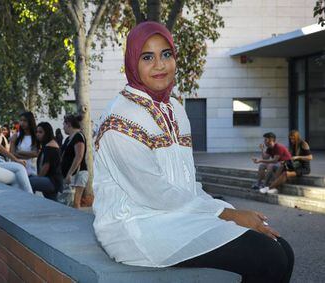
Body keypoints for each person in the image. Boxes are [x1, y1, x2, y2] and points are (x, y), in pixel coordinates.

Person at [93, 22, 293, 283]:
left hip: (177, 216)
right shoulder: (120, 117)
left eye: (166, 54)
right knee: (269, 257)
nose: (160, 65)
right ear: (132, 62)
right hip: (139, 226)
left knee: (282, 248)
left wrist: (224, 210)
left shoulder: (175, 108)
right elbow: (155, 194)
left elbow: (186, 184)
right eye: (147, 57)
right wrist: (230, 214)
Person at [260, 130, 313, 194]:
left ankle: (269, 188)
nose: (292, 140)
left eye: (293, 139)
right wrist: (285, 162)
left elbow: (310, 157)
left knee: (286, 174)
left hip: (303, 168)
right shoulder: (292, 145)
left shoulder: (303, 144)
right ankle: (274, 188)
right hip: (295, 165)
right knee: (281, 167)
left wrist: (298, 157)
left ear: (297, 137)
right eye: (290, 139)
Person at [29, 122, 63, 200]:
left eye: (40, 132)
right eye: (37, 132)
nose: (37, 134)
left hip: (53, 181)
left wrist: (38, 178)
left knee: (30, 182)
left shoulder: (50, 146)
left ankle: (29, 203)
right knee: (53, 204)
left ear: (47, 133)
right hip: (52, 180)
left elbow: (46, 165)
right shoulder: (47, 145)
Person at [61, 114, 88, 209]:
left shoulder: (78, 136)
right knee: (69, 203)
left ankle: (78, 222)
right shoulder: (68, 139)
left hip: (78, 174)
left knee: (75, 203)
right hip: (70, 175)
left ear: (68, 124)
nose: (63, 128)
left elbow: (79, 156)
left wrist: (69, 173)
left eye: (63, 124)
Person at [10, 112, 39, 176]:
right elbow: (12, 154)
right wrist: (29, 155)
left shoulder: (35, 136)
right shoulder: (16, 136)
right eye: (21, 120)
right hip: (18, 169)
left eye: (25, 120)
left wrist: (20, 152)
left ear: (30, 121)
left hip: (32, 171)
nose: (22, 123)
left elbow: (36, 153)